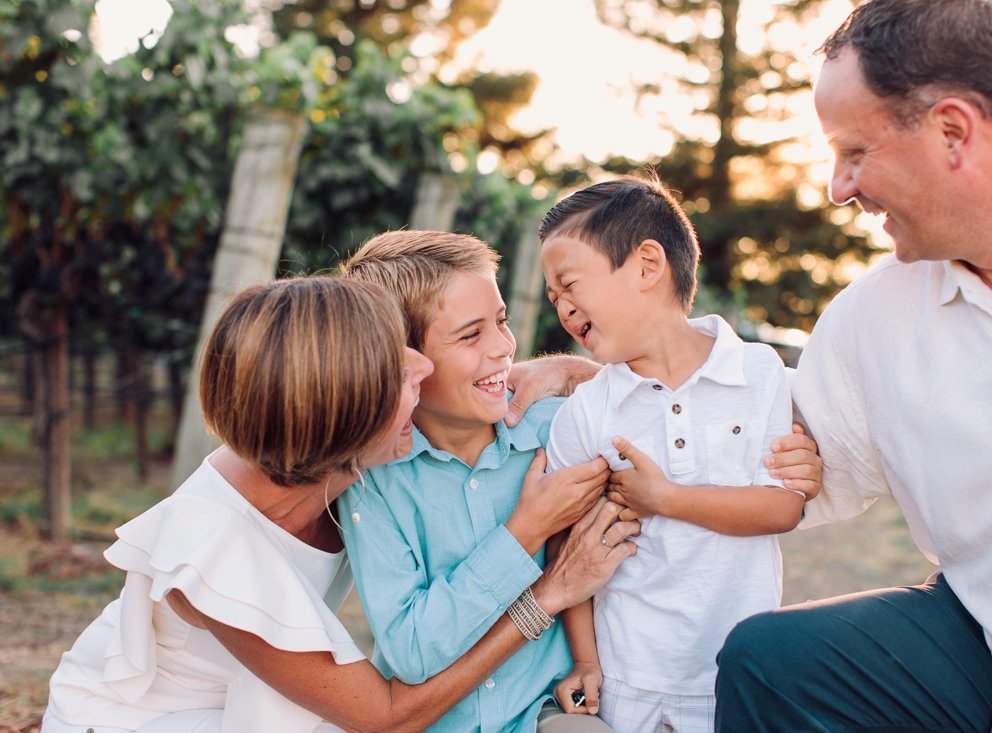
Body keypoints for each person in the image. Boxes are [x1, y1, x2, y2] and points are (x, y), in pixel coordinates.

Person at [713, 1, 992, 732]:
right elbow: (771, 439)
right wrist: (603, 376)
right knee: (771, 659)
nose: (838, 187)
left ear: (953, 130)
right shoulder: (870, 320)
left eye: (853, 152)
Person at [42, 276, 638, 733]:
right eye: (401, 375)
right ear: (349, 420)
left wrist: (551, 369)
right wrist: (546, 595)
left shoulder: (312, 457)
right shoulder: (221, 550)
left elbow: (503, 394)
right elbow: (385, 717)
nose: (424, 370)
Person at [538, 175, 813, 733]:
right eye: (553, 299)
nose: (564, 309)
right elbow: (565, 546)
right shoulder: (587, 412)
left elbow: (782, 509)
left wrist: (666, 497)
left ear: (646, 265)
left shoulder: (758, 373)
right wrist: (587, 660)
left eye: (570, 285)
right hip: (628, 673)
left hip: (734, 671)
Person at [338, 231, 618, 733]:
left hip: (548, 711)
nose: (504, 347)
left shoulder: (558, 430)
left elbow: (664, 409)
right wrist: (524, 531)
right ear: (403, 360)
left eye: (502, 321)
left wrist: (580, 370)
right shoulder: (373, 481)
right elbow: (413, 651)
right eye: (471, 335)